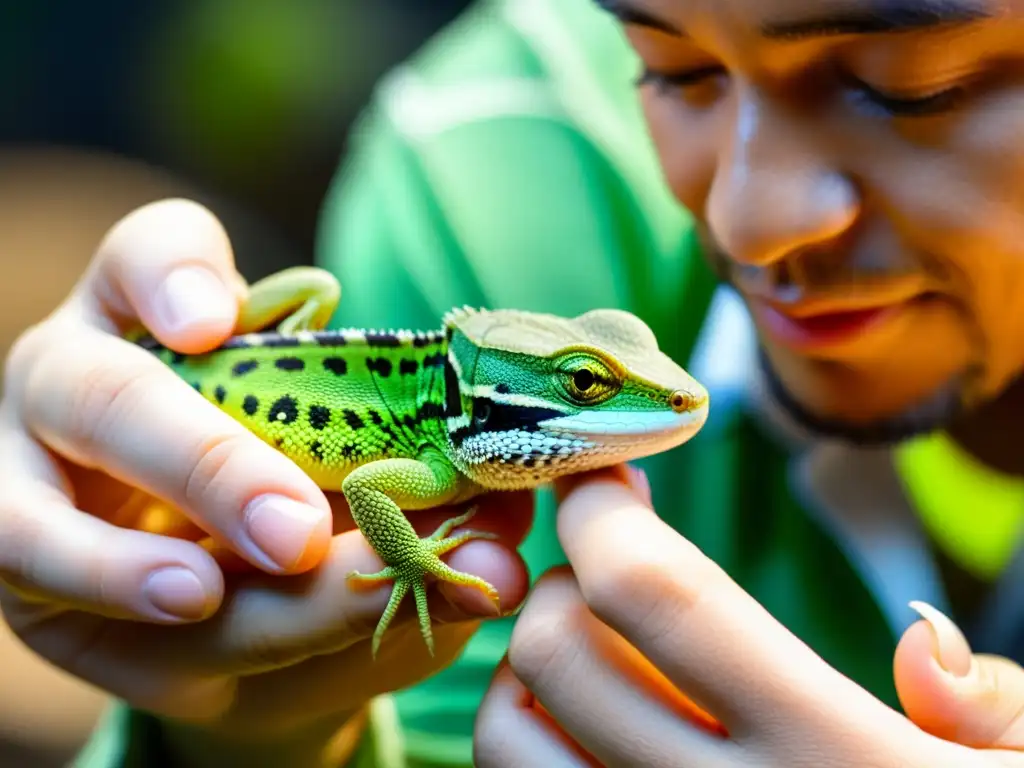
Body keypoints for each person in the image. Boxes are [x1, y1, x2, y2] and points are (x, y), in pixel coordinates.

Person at [5, 0, 1024, 765]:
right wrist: (269, 729)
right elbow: (367, 499)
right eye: (673, 71)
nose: (750, 221)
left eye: (909, 86)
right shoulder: (483, 183)